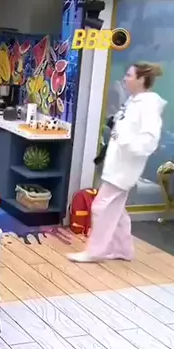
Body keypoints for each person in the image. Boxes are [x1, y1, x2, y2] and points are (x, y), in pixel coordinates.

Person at [68, 62, 166, 263]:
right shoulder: (133, 101)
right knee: (117, 210)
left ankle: (95, 251)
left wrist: (122, 136)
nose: (125, 78)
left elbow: (148, 141)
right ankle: (123, 249)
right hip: (118, 165)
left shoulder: (148, 106)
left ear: (141, 79)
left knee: (101, 207)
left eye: (129, 75)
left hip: (124, 168)